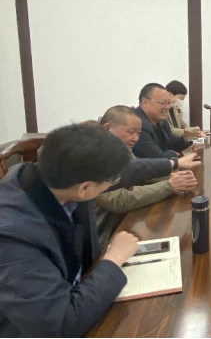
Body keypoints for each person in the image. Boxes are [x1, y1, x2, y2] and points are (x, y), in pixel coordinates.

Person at [0, 124, 140, 338]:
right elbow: (60, 325)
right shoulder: (12, 239)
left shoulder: (49, 178)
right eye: (111, 182)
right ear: (85, 188)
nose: (112, 184)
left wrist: (172, 164)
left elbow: (130, 170)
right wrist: (114, 259)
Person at [96, 106, 199, 246]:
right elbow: (119, 200)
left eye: (138, 133)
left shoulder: (120, 147)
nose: (135, 138)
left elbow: (139, 173)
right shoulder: (94, 155)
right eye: (131, 132)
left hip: (121, 221)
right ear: (108, 128)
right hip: (102, 236)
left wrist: (173, 176)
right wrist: (169, 186)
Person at [133, 83, 193, 159]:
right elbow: (157, 158)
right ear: (145, 102)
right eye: (162, 103)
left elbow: (172, 143)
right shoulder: (137, 123)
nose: (167, 107)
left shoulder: (161, 120)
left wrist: (187, 137)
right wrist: (172, 153)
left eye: (169, 103)